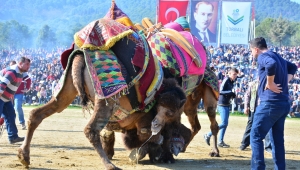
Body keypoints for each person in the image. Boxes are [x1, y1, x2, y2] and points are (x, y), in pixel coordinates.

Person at [249, 37, 297, 169]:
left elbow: (270, 64)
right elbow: (293, 67)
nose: (252, 54)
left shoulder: (262, 57)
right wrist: (285, 81)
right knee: (277, 140)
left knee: (256, 136)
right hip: (283, 103)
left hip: (270, 103)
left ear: (256, 49)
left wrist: (270, 83)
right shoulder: (278, 57)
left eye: (251, 51)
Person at [204, 67, 238, 148]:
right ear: (229, 74)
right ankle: (208, 135)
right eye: (234, 74)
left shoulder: (232, 81)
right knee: (224, 123)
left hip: (226, 104)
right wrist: (230, 93)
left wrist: (231, 94)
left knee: (225, 124)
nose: (235, 76)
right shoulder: (226, 80)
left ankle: (220, 141)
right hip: (222, 104)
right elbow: (220, 91)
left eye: (236, 75)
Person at [0, 57, 31, 144]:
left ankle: (13, 137)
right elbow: (2, 83)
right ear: (20, 63)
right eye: (27, 64)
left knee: (10, 115)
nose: (29, 67)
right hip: (1, 96)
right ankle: (13, 136)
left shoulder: (21, 72)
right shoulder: (13, 72)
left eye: (29, 65)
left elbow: (27, 80)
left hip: (5, 98)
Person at [239, 79, 272, 153]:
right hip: (253, 108)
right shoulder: (253, 83)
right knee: (250, 126)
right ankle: (244, 143)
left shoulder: (270, 83)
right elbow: (247, 95)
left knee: (268, 127)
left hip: (265, 108)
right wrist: (246, 107)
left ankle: (268, 146)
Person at [10, 60, 32, 130]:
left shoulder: (22, 72)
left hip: (18, 93)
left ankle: (22, 122)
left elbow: (28, 80)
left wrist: (27, 88)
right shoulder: (9, 72)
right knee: (9, 109)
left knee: (18, 107)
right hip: (10, 93)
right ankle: (10, 123)